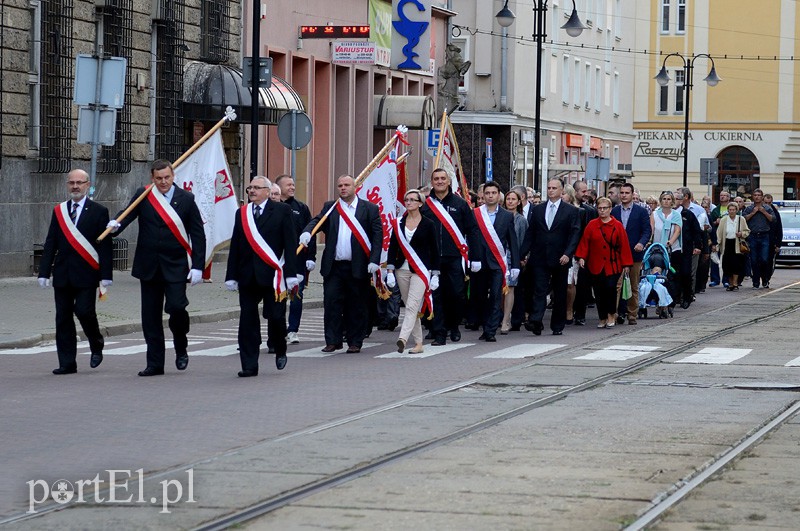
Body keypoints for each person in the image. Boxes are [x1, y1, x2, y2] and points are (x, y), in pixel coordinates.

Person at [107, 159, 206, 376]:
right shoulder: (144, 194)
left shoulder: (186, 199)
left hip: (176, 265)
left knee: (177, 308)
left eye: (167, 178)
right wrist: (115, 225)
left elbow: (198, 234)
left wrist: (198, 266)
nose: (163, 182)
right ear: (153, 178)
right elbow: (128, 214)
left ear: (173, 177)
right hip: (149, 264)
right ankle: (155, 363)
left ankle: (181, 345)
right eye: (158, 178)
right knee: (150, 317)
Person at [39, 169, 113, 374]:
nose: (75, 186)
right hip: (63, 274)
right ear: (67, 185)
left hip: (87, 273)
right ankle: (67, 363)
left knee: (84, 311)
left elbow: (105, 246)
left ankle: (96, 343)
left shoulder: (99, 211)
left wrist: (106, 275)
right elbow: (51, 242)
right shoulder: (59, 211)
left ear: (88, 185)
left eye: (80, 182)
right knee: (62, 318)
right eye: (71, 182)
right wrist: (44, 272)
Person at [225, 176, 299, 377]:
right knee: (247, 320)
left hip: (273, 275)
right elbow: (236, 246)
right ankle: (249, 364)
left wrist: (291, 274)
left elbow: (290, 244)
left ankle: (280, 348)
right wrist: (231, 275)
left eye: (257, 188)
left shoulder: (282, 211)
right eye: (250, 187)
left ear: (268, 191)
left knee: (276, 317)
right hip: (247, 276)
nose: (252, 191)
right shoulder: (242, 213)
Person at [300, 175, 382, 353]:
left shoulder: (369, 209)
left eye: (346, 185)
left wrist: (375, 260)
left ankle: (355, 341)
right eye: (340, 185)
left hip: (358, 266)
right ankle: (333, 340)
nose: (343, 188)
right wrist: (308, 232)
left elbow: (377, 238)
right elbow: (316, 221)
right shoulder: (331, 207)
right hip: (334, 266)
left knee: (356, 305)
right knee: (331, 304)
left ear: (355, 187)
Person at [420, 168, 481, 345]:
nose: (439, 181)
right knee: (436, 296)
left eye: (442, 178)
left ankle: (453, 326)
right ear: (432, 182)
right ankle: (440, 332)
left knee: (456, 295)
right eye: (436, 179)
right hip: (432, 260)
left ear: (448, 182)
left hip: (455, 258)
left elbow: (472, 230)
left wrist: (475, 257)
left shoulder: (460, 204)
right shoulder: (425, 205)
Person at [520, 178, 581, 336]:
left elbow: (575, 234)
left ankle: (557, 325)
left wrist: (568, 254)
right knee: (539, 290)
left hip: (561, 257)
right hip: (540, 257)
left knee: (560, 292)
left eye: (554, 188)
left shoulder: (571, 211)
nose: (551, 190)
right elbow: (531, 233)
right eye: (549, 187)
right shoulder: (538, 209)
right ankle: (536, 321)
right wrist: (522, 254)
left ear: (562, 191)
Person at [386, 189, 440, 354]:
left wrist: (435, 274)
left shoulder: (429, 224)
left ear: (420, 203)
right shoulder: (398, 223)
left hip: (421, 270)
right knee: (413, 307)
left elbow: (435, 250)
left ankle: (402, 338)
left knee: (411, 305)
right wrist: (389, 270)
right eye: (406, 200)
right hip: (402, 269)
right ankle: (418, 344)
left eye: (412, 200)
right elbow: (392, 247)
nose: (408, 202)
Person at [471, 182, 520, 341]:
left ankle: (491, 330)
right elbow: (470, 239)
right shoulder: (476, 214)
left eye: (494, 193)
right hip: (479, 263)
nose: (490, 196)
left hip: (498, 264)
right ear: (483, 195)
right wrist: (472, 259)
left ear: (499, 195)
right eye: (487, 193)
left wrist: (516, 266)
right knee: (479, 297)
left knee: (496, 297)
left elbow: (512, 241)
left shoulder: (507, 216)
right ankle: (485, 327)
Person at [575, 197, 633, 328]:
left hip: (613, 265)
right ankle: (602, 317)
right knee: (599, 291)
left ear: (610, 209)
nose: (602, 211)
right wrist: (582, 257)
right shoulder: (592, 225)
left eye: (605, 208)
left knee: (611, 289)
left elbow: (624, 245)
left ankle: (611, 314)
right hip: (595, 264)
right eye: (600, 208)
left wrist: (626, 264)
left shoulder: (617, 225)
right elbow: (585, 242)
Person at [275, 174, 316, 344]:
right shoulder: (273, 206)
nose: (292, 187)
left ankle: (293, 330)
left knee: (296, 295)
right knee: (278, 297)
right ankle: (277, 330)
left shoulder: (301, 208)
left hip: (297, 261)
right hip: (277, 260)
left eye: (293, 184)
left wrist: (311, 257)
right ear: (279, 187)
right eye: (288, 185)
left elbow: (310, 233)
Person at [611, 182, 651, 325]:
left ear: (632, 194)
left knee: (633, 285)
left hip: (635, 253)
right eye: (622, 193)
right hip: (617, 255)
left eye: (627, 193)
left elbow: (647, 230)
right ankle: (613, 314)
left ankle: (632, 314)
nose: (624, 195)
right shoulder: (614, 211)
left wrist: (641, 243)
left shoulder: (641, 212)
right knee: (617, 285)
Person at [650, 191, 682, 314]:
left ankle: (670, 302)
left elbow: (677, 231)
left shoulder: (676, 215)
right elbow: (652, 229)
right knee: (657, 275)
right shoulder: (655, 214)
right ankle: (658, 300)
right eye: (664, 199)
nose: (666, 201)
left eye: (669, 199)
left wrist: (670, 242)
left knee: (671, 277)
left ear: (672, 201)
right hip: (657, 248)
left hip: (672, 249)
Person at [571, 180, 598, 326]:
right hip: (570, 252)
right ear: (575, 192)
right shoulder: (568, 208)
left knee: (582, 285)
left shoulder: (590, 211)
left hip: (585, 253)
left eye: (587, 191)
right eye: (583, 191)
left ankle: (580, 314)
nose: (586, 194)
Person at [502, 188, 528, 333]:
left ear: (519, 202)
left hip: (514, 257)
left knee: (510, 288)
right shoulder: (501, 216)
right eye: (508, 199)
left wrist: (521, 258)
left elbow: (523, 241)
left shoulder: (521, 220)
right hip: (500, 255)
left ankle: (507, 319)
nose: (510, 201)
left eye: (513, 199)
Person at [742, 189, 775, 289]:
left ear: (762, 197)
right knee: (754, 260)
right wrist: (753, 213)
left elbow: (773, 219)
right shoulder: (749, 208)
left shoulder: (767, 208)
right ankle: (755, 281)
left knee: (764, 259)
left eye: (759, 195)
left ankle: (765, 280)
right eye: (755, 195)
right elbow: (744, 219)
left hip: (765, 236)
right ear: (753, 197)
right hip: (753, 236)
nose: (757, 197)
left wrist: (764, 212)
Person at [715, 203, 750, 291]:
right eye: (730, 210)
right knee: (727, 265)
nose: (731, 211)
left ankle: (735, 283)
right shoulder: (724, 220)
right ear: (728, 210)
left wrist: (741, 234)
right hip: (727, 243)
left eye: (733, 210)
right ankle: (730, 284)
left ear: (736, 210)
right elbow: (719, 233)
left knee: (736, 264)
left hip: (737, 244)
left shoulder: (741, 219)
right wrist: (717, 244)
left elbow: (747, 231)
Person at [763, 193, 782, 287]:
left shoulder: (775, 213)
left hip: (771, 241)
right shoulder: (759, 210)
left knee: (769, 261)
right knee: (761, 260)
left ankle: (766, 279)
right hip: (761, 239)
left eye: (769, 203)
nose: (767, 205)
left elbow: (779, 229)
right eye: (765, 202)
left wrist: (778, 244)